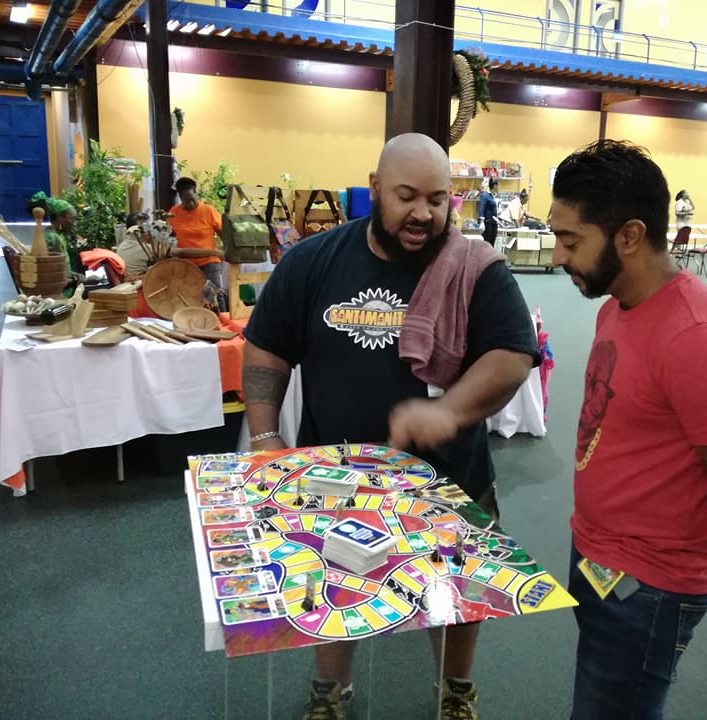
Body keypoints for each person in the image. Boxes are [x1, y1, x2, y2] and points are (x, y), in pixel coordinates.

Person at [242, 133, 538, 720]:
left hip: (449, 478)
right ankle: (330, 691)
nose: (423, 213)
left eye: (437, 199)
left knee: (457, 593)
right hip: (335, 480)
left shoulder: (473, 268)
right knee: (331, 585)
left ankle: (455, 689)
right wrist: (264, 436)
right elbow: (266, 348)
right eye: (407, 196)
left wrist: (449, 411)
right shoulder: (314, 260)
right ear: (375, 188)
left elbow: (511, 354)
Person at [549, 140, 707, 718]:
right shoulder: (616, 307)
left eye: (571, 241)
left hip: (649, 585)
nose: (557, 256)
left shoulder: (703, 338)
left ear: (629, 236)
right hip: (599, 554)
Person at [167, 176, 225, 304]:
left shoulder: (208, 210)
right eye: (186, 200)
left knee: (214, 296)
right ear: (180, 198)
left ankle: (220, 316)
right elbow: (169, 236)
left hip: (209, 262)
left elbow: (223, 234)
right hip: (186, 264)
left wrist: (226, 253)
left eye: (192, 198)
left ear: (196, 193)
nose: (190, 203)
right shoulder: (173, 212)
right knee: (189, 297)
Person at [27, 191, 81, 275]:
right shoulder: (52, 239)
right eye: (71, 218)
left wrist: (76, 275)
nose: (74, 223)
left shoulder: (56, 235)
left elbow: (62, 269)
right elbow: (50, 274)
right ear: (60, 217)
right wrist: (75, 279)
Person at [479, 178, 498, 246]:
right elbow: (481, 208)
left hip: (494, 223)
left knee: (492, 242)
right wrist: (481, 222)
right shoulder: (485, 195)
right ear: (495, 186)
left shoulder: (494, 196)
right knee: (487, 243)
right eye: (497, 185)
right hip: (487, 223)